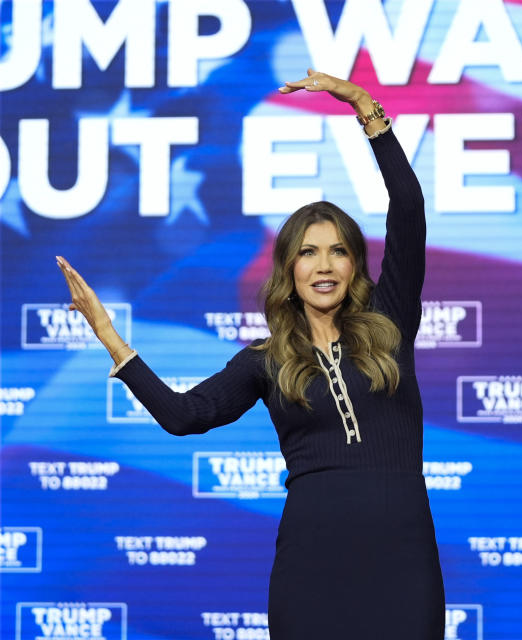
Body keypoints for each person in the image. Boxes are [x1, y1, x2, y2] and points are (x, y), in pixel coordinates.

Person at [57, 71, 445, 639]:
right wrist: (110, 337)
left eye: (338, 252)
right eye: (309, 253)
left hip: (402, 556)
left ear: (353, 266)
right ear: (289, 268)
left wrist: (365, 107)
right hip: (312, 563)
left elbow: (407, 208)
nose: (325, 265)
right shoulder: (265, 360)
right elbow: (184, 416)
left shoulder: (389, 323)